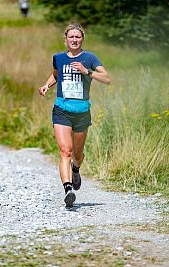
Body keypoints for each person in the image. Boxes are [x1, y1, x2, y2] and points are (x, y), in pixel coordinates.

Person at [38, 23, 111, 208]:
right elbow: (56, 75)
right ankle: (68, 189)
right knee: (65, 151)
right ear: (66, 39)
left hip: (82, 112)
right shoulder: (58, 58)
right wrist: (47, 85)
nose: (74, 40)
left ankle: (76, 170)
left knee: (77, 155)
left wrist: (87, 71)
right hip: (61, 109)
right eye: (71, 37)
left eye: (78, 37)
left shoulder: (90, 58)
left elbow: (107, 79)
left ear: (82, 39)